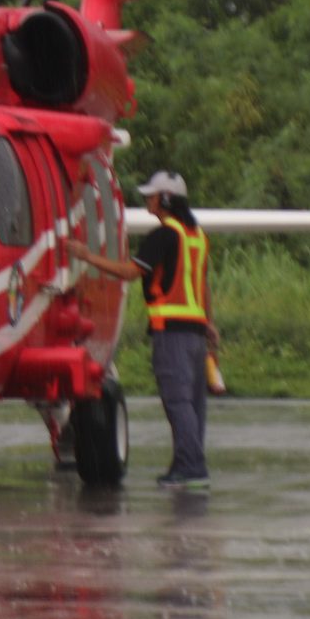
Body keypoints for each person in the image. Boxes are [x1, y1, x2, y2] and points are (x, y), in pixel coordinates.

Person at [68, 169, 217, 490]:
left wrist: (88, 256)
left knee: (177, 401)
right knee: (192, 403)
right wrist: (209, 323)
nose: (147, 200)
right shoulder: (198, 236)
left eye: (151, 196)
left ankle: (192, 467)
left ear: (165, 199)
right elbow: (203, 284)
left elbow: (129, 272)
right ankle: (186, 463)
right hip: (195, 331)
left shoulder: (164, 235)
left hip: (172, 331)